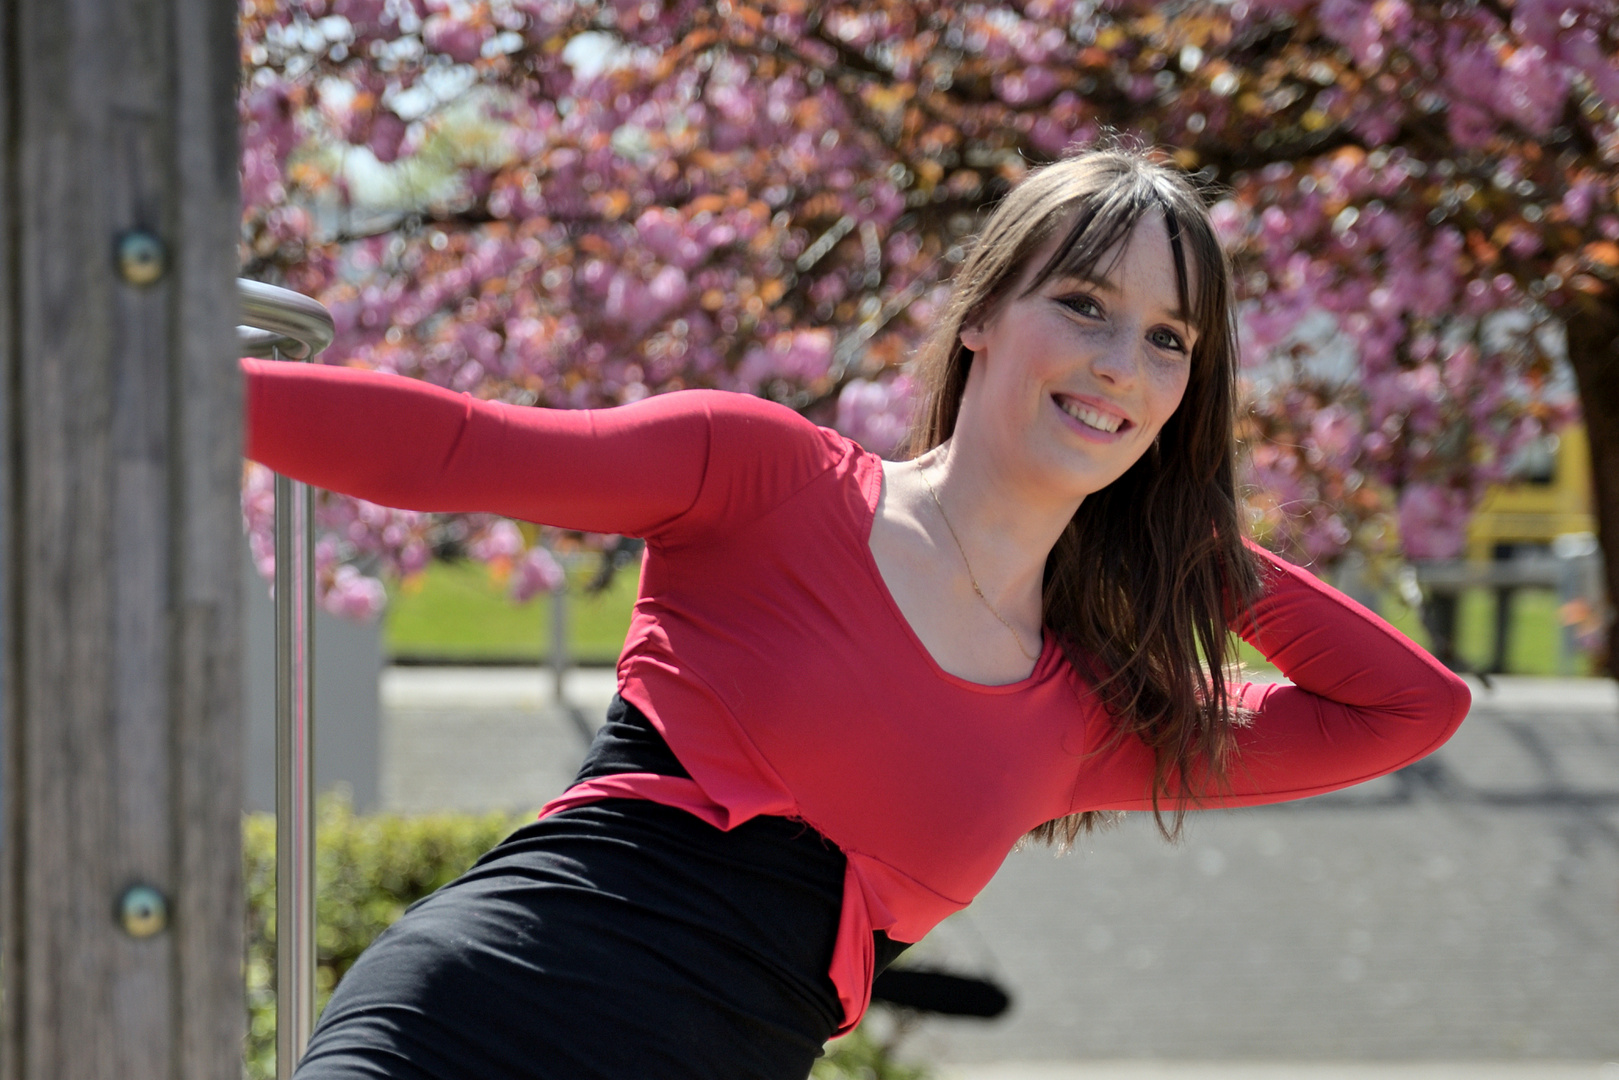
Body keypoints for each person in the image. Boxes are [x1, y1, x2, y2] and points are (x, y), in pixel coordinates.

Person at [243, 147, 1471, 1080]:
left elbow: (1408, 709)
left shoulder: (1086, 717)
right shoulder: (760, 476)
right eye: (1084, 306)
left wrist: (1182, 536)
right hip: (482, 1016)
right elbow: (457, 450)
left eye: (1165, 342)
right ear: (982, 316)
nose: (1118, 364)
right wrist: (167, 376)